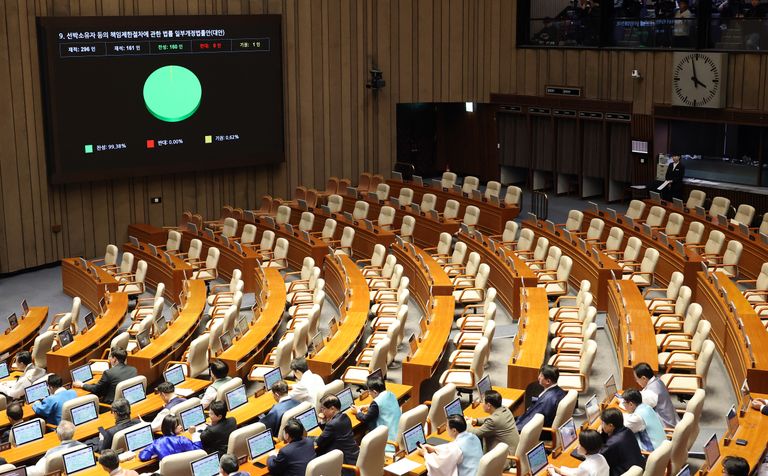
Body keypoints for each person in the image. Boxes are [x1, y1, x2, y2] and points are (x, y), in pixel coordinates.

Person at [352, 375, 401, 452]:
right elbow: (385, 405)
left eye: (369, 392)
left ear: (374, 392)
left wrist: (357, 411)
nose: (369, 394)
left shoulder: (376, 403)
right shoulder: (391, 394)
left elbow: (365, 419)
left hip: (389, 442)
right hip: (398, 435)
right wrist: (369, 406)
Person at [468, 389, 519, 455]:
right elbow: (491, 419)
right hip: (513, 450)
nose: (481, 404)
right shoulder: (505, 409)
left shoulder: (493, 421)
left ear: (489, 405)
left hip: (506, 458)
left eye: (482, 402)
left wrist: (467, 424)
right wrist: (476, 421)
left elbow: (476, 433)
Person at [516, 365, 567, 431]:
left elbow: (531, 420)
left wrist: (515, 428)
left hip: (540, 430)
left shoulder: (546, 401)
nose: (538, 377)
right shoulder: (560, 391)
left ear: (548, 381)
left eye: (541, 376)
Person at [316, 395, 360, 468]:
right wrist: (324, 420)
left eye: (323, 409)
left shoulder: (332, 424)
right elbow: (328, 434)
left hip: (345, 463)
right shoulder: (345, 416)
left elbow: (319, 442)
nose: (322, 412)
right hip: (354, 455)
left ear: (332, 409)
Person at [598, 408, 645, 476]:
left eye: (602, 423)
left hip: (625, 472)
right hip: (639, 470)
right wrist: (603, 432)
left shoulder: (613, 443)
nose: (601, 425)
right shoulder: (628, 431)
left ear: (611, 426)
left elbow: (599, 457)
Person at [633, 363, 679, 427]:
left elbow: (636, 409)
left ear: (644, 378)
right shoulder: (657, 380)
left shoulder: (651, 393)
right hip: (672, 419)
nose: (636, 381)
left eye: (636, 379)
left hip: (665, 427)